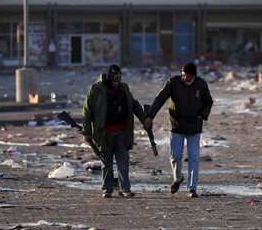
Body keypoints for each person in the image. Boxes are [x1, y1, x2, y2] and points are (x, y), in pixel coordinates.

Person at [82, 65, 152, 198]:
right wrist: (87, 132)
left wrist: (145, 119)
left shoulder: (124, 88)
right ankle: (107, 189)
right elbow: (87, 111)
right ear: (109, 76)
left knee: (123, 162)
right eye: (115, 75)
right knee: (106, 163)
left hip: (122, 132)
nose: (118, 78)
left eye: (120, 75)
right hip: (104, 133)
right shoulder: (97, 89)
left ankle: (125, 189)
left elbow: (134, 105)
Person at [146, 62, 213, 198]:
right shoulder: (173, 83)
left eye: (188, 76)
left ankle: (192, 188)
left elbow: (208, 101)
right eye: (183, 75)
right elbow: (160, 99)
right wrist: (150, 116)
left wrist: (202, 115)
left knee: (194, 157)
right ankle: (177, 178)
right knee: (175, 156)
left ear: (194, 76)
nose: (185, 78)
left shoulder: (201, 84)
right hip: (176, 126)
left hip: (194, 126)